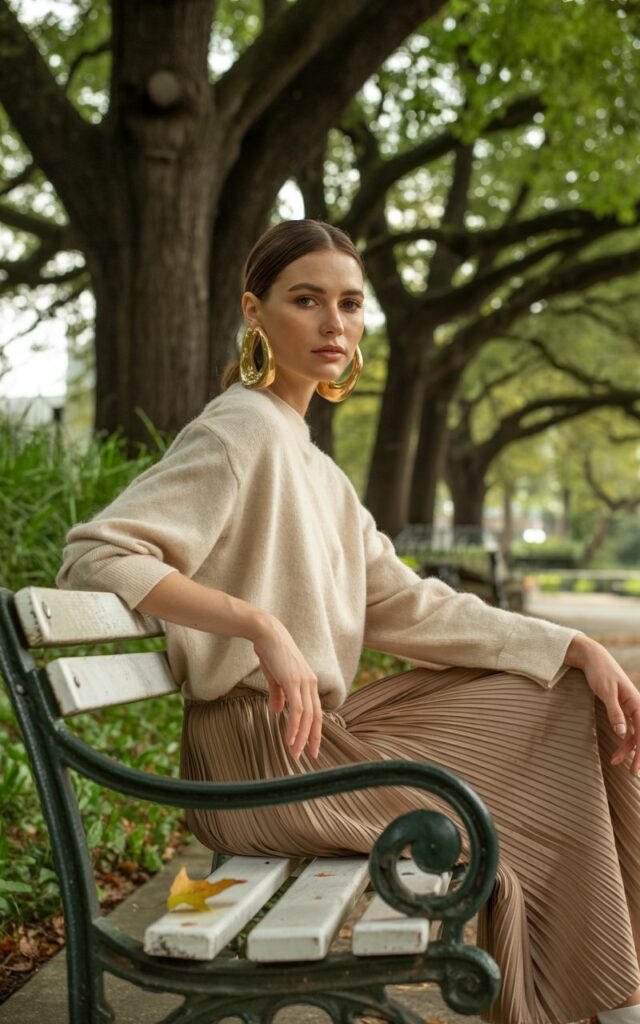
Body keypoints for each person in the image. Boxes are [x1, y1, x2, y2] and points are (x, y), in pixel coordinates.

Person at [57, 218, 640, 1024]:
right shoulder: (240, 432)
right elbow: (95, 555)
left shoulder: (312, 464)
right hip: (262, 761)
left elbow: (407, 603)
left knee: (567, 701)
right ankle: (600, 1006)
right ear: (254, 313)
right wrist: (257, 624)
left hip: (312, 741)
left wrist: (573, 645)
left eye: (351, 304)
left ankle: (597, 1002)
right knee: (556, 737)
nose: (335, 324)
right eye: (308, 300)